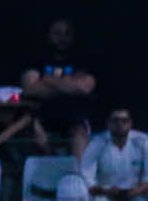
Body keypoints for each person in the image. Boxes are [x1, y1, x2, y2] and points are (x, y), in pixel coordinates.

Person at [20, 18, 97, 160]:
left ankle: (79, 174)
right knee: (30, 129)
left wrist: (47, 80)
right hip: (42, 115)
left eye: (67, 33)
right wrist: (69, 85)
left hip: (74, 116)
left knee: (79, 133)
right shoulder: (37, 59)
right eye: (57, 33)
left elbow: (84, 87)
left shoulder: (81, 59)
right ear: (48, 36)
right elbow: (30, 88)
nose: (62, 38)